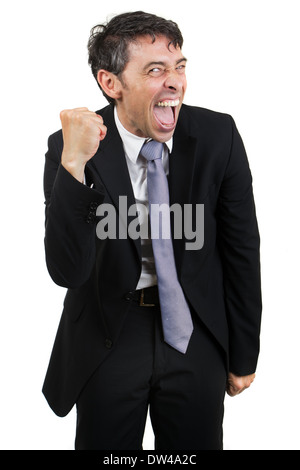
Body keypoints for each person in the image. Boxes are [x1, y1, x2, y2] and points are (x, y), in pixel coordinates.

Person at [42, 11, 262, 450]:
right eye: (155, 70)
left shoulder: (219, 135)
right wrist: (73, 166)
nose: (175, 82)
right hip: (110, 329)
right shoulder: (71, 147)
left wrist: (244, 352)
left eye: (179, 67)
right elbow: (68, 270)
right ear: (111, 83)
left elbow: (242, 250)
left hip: (194, 328)